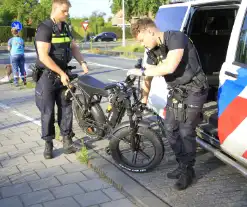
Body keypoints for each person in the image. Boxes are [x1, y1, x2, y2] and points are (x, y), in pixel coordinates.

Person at [127, 18, 209, 190]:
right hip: (177, 92)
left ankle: (188, 171)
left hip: (194, 89)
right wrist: (143, 99)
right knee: (170, 129)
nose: (143, 45)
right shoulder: (152, 51)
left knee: (186, 130)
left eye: (142, 40)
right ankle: (182, 164)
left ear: (150, 31)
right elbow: (147, 77)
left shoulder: (176, 38)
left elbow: (170, 67)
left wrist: (140, 71)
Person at [34, 0, 89, 159]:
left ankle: (67, 140)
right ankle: (48, 144)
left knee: (66, 108)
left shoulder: (65, 27)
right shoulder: (44, 28)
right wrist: (60, 73)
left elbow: (73, 47)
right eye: (64, 11)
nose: (67, 14)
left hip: (64, 75)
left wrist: (82, 63)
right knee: (48, 111)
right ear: (56, 9)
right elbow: (43, 56)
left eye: (67, 11)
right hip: (48, 77)